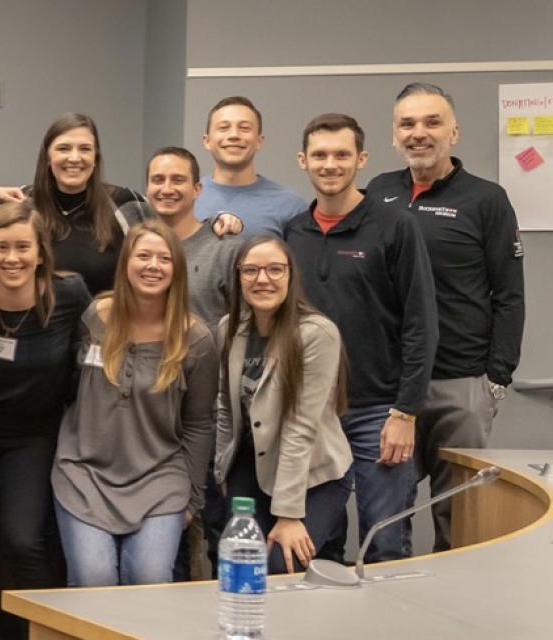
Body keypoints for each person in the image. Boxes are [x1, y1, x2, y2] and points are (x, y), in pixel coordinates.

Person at [364, 83, 524, 552]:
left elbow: (509, 295)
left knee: (461, 516)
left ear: (454, 132)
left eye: (432, 122)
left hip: (462, 384)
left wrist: (496, 378)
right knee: (388, 512)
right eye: (407, 124)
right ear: (394, 135)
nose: (419, 133)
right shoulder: (379, 193)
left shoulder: (486, 199)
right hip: (392, 387)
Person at [282, 113, 435, 564]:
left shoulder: (395, 227)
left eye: (342, 154)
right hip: (313, 412)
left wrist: (405, 411)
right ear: (303, 161)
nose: (331, 164)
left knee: (384, 544)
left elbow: (420, 324)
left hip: (379, 411)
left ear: (361, 159)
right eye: (320, 155)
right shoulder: (292, 233)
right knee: (317, 548)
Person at [0, 201, 92, 638]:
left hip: (34, 436)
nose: (12, 258)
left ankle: (39, 633)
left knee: (24, 542)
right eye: (1, 247)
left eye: (23, 247)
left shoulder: (69, 295)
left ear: (41, 253)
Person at [52, 224, 218, 587]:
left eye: (164, 258)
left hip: (159, 478)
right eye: (143, 256)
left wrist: (192, 499)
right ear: (126, 263)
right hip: (85, 473)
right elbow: (65, 385)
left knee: (150, 577)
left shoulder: (197, 339)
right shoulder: (95, 318)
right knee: (93, 578)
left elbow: (199, 424)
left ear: (177, 268)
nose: (153, 266)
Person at [214, 235, 353, 574]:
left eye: (275, 269)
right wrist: (222, 470)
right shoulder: (229, 329)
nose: (263, 279)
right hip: (252, 466)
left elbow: (300, 427)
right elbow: (224, 407)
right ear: (238, 277)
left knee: (280, 566)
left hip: (312, 475)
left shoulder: (316, 333)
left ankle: (329, 540)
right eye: (251, 270)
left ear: (291, 276)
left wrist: (289, 514)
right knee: (241, 564)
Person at [26, 113, 149, 294]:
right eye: (64, 148)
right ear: (48, 157)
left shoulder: (126, 203)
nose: (75, 158)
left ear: (95, 158)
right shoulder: (25, 203)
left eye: (85, 149)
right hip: (41, 321)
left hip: (109, 320)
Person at [145, 147, 241, 325]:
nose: (166, 189)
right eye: (158, 180)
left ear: (197, 189)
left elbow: (246, 323)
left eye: (178, 180)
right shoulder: (136, 250)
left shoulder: (226, 249)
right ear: (147, 188)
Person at [194, 96, 306, 238]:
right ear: (207, 141)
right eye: (223, 128)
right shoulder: (187, 198)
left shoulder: (291, 206)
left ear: (259, 141)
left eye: (245, 128)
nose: (234, 135)